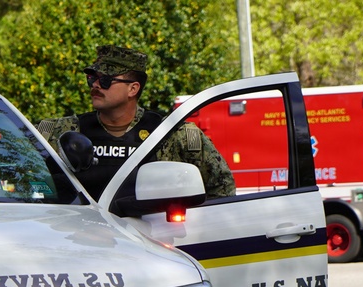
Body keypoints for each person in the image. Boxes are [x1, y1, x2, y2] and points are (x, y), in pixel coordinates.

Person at [37, 45, 236, 201]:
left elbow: (222, 189)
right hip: (83, 241)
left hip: (154, 242)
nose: (96, 85)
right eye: (92, 79)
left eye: (106, 80)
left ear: (133, 89)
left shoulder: (173, 135)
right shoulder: (58, 131)